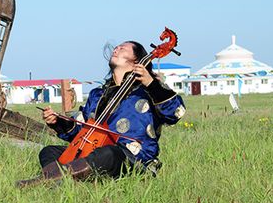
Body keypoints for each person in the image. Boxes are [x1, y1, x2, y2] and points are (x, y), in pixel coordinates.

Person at [17, 41, 186, 188]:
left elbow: (175, 113)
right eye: (117, 47)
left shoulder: (149, 91)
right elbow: (82, 132)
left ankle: (45, 181)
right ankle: (63, 181)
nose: (116, 49)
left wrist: (151, 83)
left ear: (137, 61)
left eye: (123, 48)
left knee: (110, 153)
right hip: (92, 153)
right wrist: (57, 122)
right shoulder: (97, 94)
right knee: (49, 151)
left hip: (131, 158)